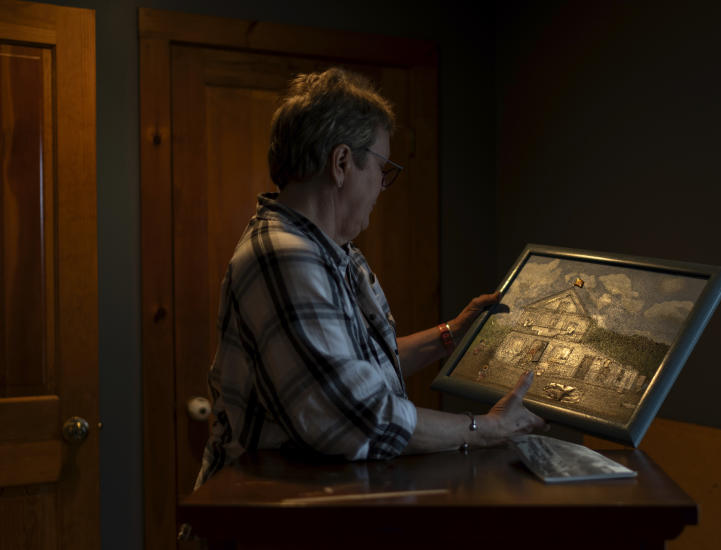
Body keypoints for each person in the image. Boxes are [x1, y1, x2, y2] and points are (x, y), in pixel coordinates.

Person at [195, 68, 544, 488]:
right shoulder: (284, 257)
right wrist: (485, 428)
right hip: (268, 525)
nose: (381, 186)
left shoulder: (328, 250)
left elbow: (349, 367)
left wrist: (452, 334)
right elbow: (360, 418)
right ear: (342, 163)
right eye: (381, 169)